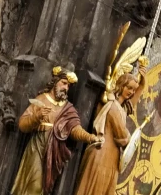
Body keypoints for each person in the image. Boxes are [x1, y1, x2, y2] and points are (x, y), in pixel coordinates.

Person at [11, 67, 100, 195]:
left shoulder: (67, 109)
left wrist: (91, 137)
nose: (66, 88)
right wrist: (37, 116)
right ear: (55, 81)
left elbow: (75, 129)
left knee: (43, 188)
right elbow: (22, 125)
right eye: (64, 83)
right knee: (34, 186)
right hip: (37, 148)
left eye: (68, 86)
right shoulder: (41, 99)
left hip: (54, 153)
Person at [73, 63, 146, 195]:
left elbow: (132, 102)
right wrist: (132, 138)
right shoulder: (113, 108)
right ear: (121, 86)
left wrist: (142, 84)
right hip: (103, 156)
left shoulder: (121, 107)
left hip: (109, 157)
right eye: (129, 88)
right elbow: (123, 137)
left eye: (133, 90)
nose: (131, 92)